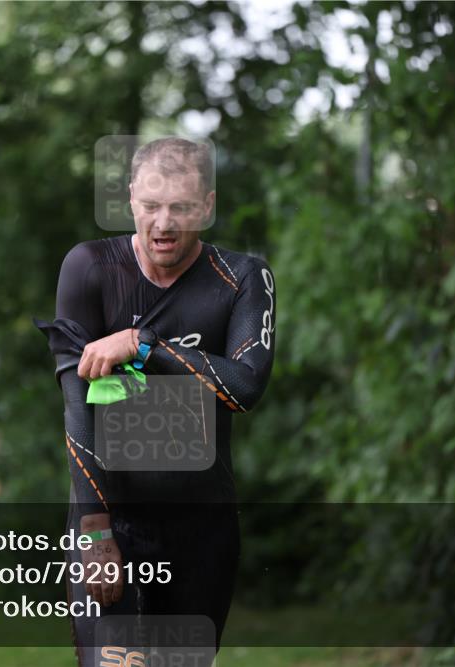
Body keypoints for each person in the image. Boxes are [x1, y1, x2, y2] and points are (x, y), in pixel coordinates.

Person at [38, 137, 276, 667]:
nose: (163, 223)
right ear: (130, 201)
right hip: (110, 515)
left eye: (181, 207)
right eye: (150, 206)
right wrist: (95, 530)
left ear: (208, 206)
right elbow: (77, 405)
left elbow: (245, 386)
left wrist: (145, 345)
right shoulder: (91, 268)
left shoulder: (241, 278)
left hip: (202, 524)